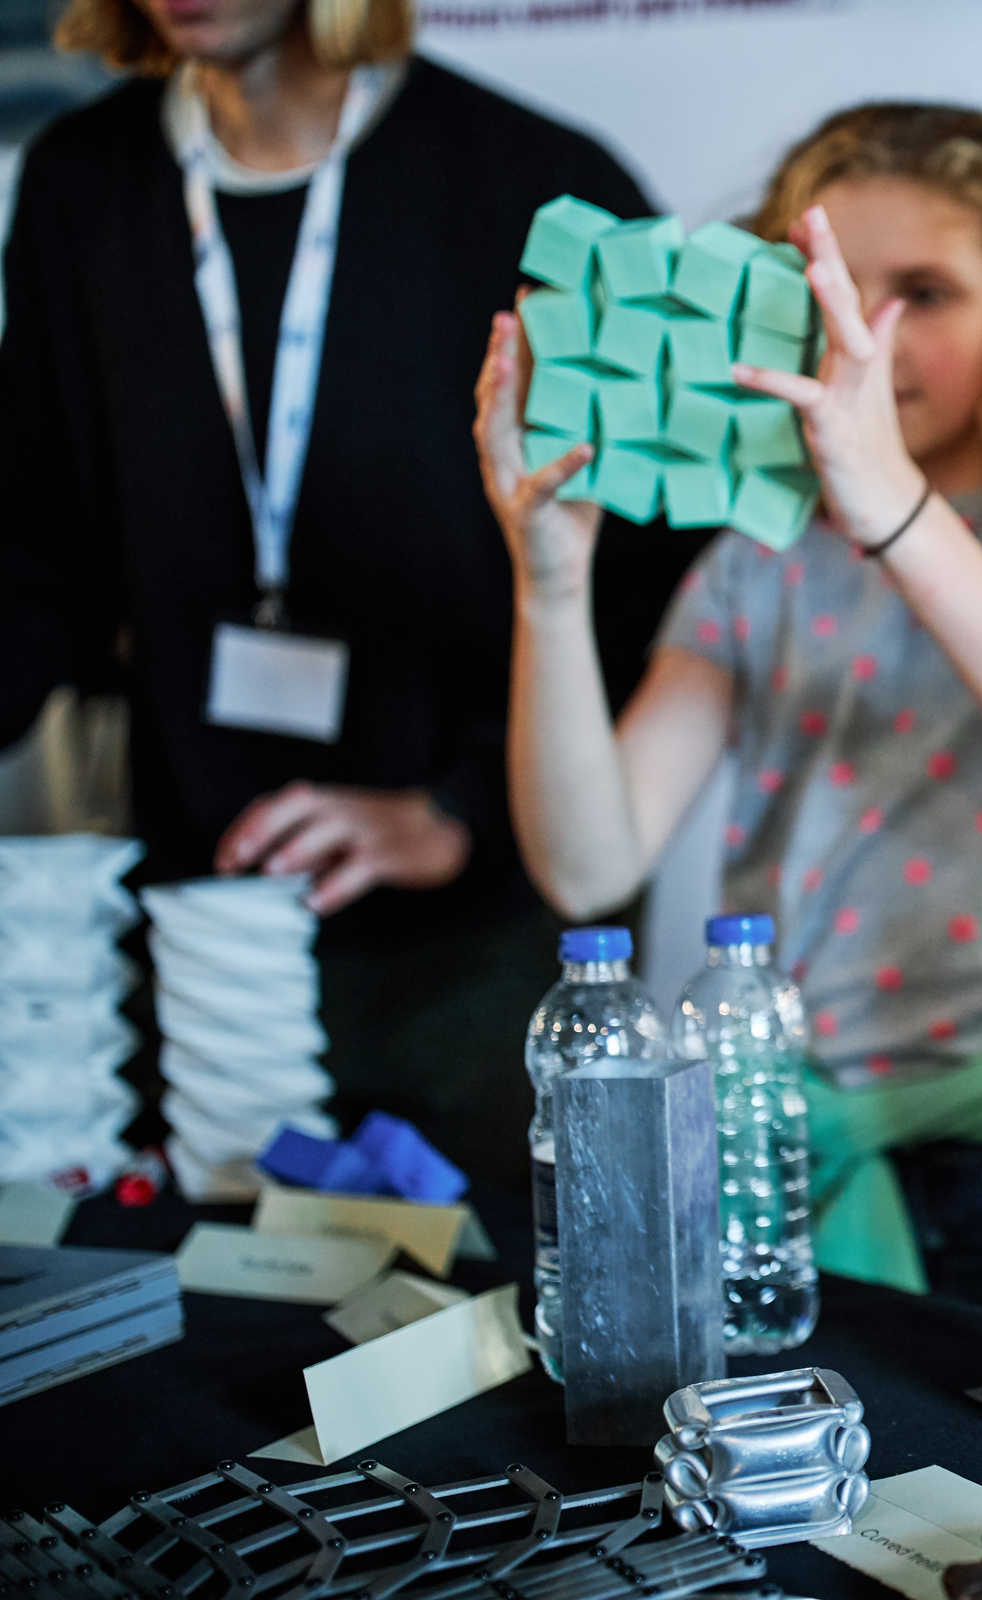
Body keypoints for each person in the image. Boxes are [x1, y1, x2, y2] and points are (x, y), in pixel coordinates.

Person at [475, 103, 982, 1310]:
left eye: (925, 293)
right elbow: (586, 861)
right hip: (799, 1127)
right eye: (826, 286)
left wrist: (892, 509)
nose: (864, 337)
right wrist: (551, 585)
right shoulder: (761, 548)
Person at [0, 0, 690, 1183]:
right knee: (217, 1308)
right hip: (206, 915)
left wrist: (458, 806)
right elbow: (36, 551)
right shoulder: (84, 181)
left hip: (475, 945)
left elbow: (652, 582)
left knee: (471, 1313)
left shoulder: (538, 186)